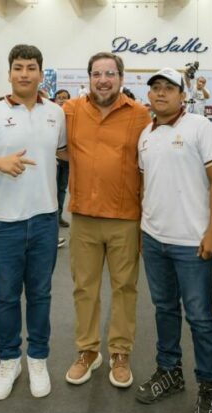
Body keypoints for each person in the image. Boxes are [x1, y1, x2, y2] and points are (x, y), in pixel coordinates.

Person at [0, 44, 66, 401]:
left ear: (41, 73)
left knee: (40, 294)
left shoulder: (56, 113)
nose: (25, 73)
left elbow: (64, 152)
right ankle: (9, 360)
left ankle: (37, 358)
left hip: (44, 219)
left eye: (31, 67)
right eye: (18, 67)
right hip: (3, 222)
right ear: (9, 73)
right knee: (6, 296)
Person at [135, 68, 212, 413]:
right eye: (155, 88)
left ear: (182, 94)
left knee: (201, 318)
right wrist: (143, 231)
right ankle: (169, 371)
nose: (160, 93)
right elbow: (146, 185)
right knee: (165, 309)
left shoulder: (199, 127)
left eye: (168, 88)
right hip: (154, 239)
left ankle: (209, 386)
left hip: (193, 243)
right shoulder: (145, 134)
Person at [63, 52, 150, 388]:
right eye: (97, 74)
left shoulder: (140, 115)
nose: (103, 80)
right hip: (83, 216)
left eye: (110, 74)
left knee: (125, 288)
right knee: (84, 287)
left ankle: (120, 352)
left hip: (125, 218)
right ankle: (87, 350)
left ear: (121, 78)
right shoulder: (71, 111)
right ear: (88, 78)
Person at [54, 88, 71, 230]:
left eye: (65, 97)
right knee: (51, 187)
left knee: (62, 188)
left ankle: (58, 216)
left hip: (66, 158)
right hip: (53, 158)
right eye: (59, 97)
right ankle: (51, 218)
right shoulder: (51, 114)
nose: (62, 100)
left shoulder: (72, 116)